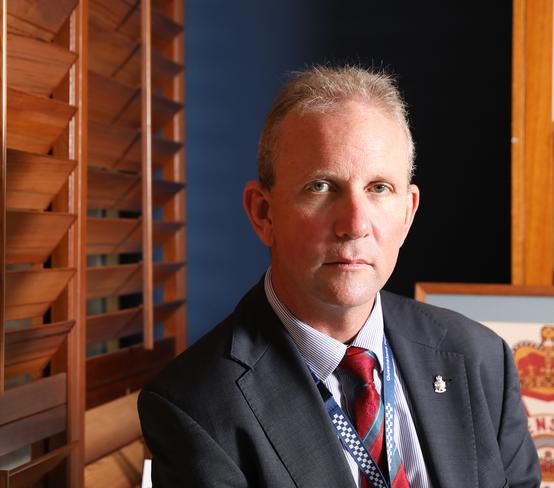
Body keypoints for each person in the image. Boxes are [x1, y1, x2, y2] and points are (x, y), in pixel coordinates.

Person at [138, 66, 540, 487]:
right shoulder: (195, 406)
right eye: (321, 187)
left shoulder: (481, 358)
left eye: (379, 188)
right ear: (263, 212)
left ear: (408, 211)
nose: (354, 223)